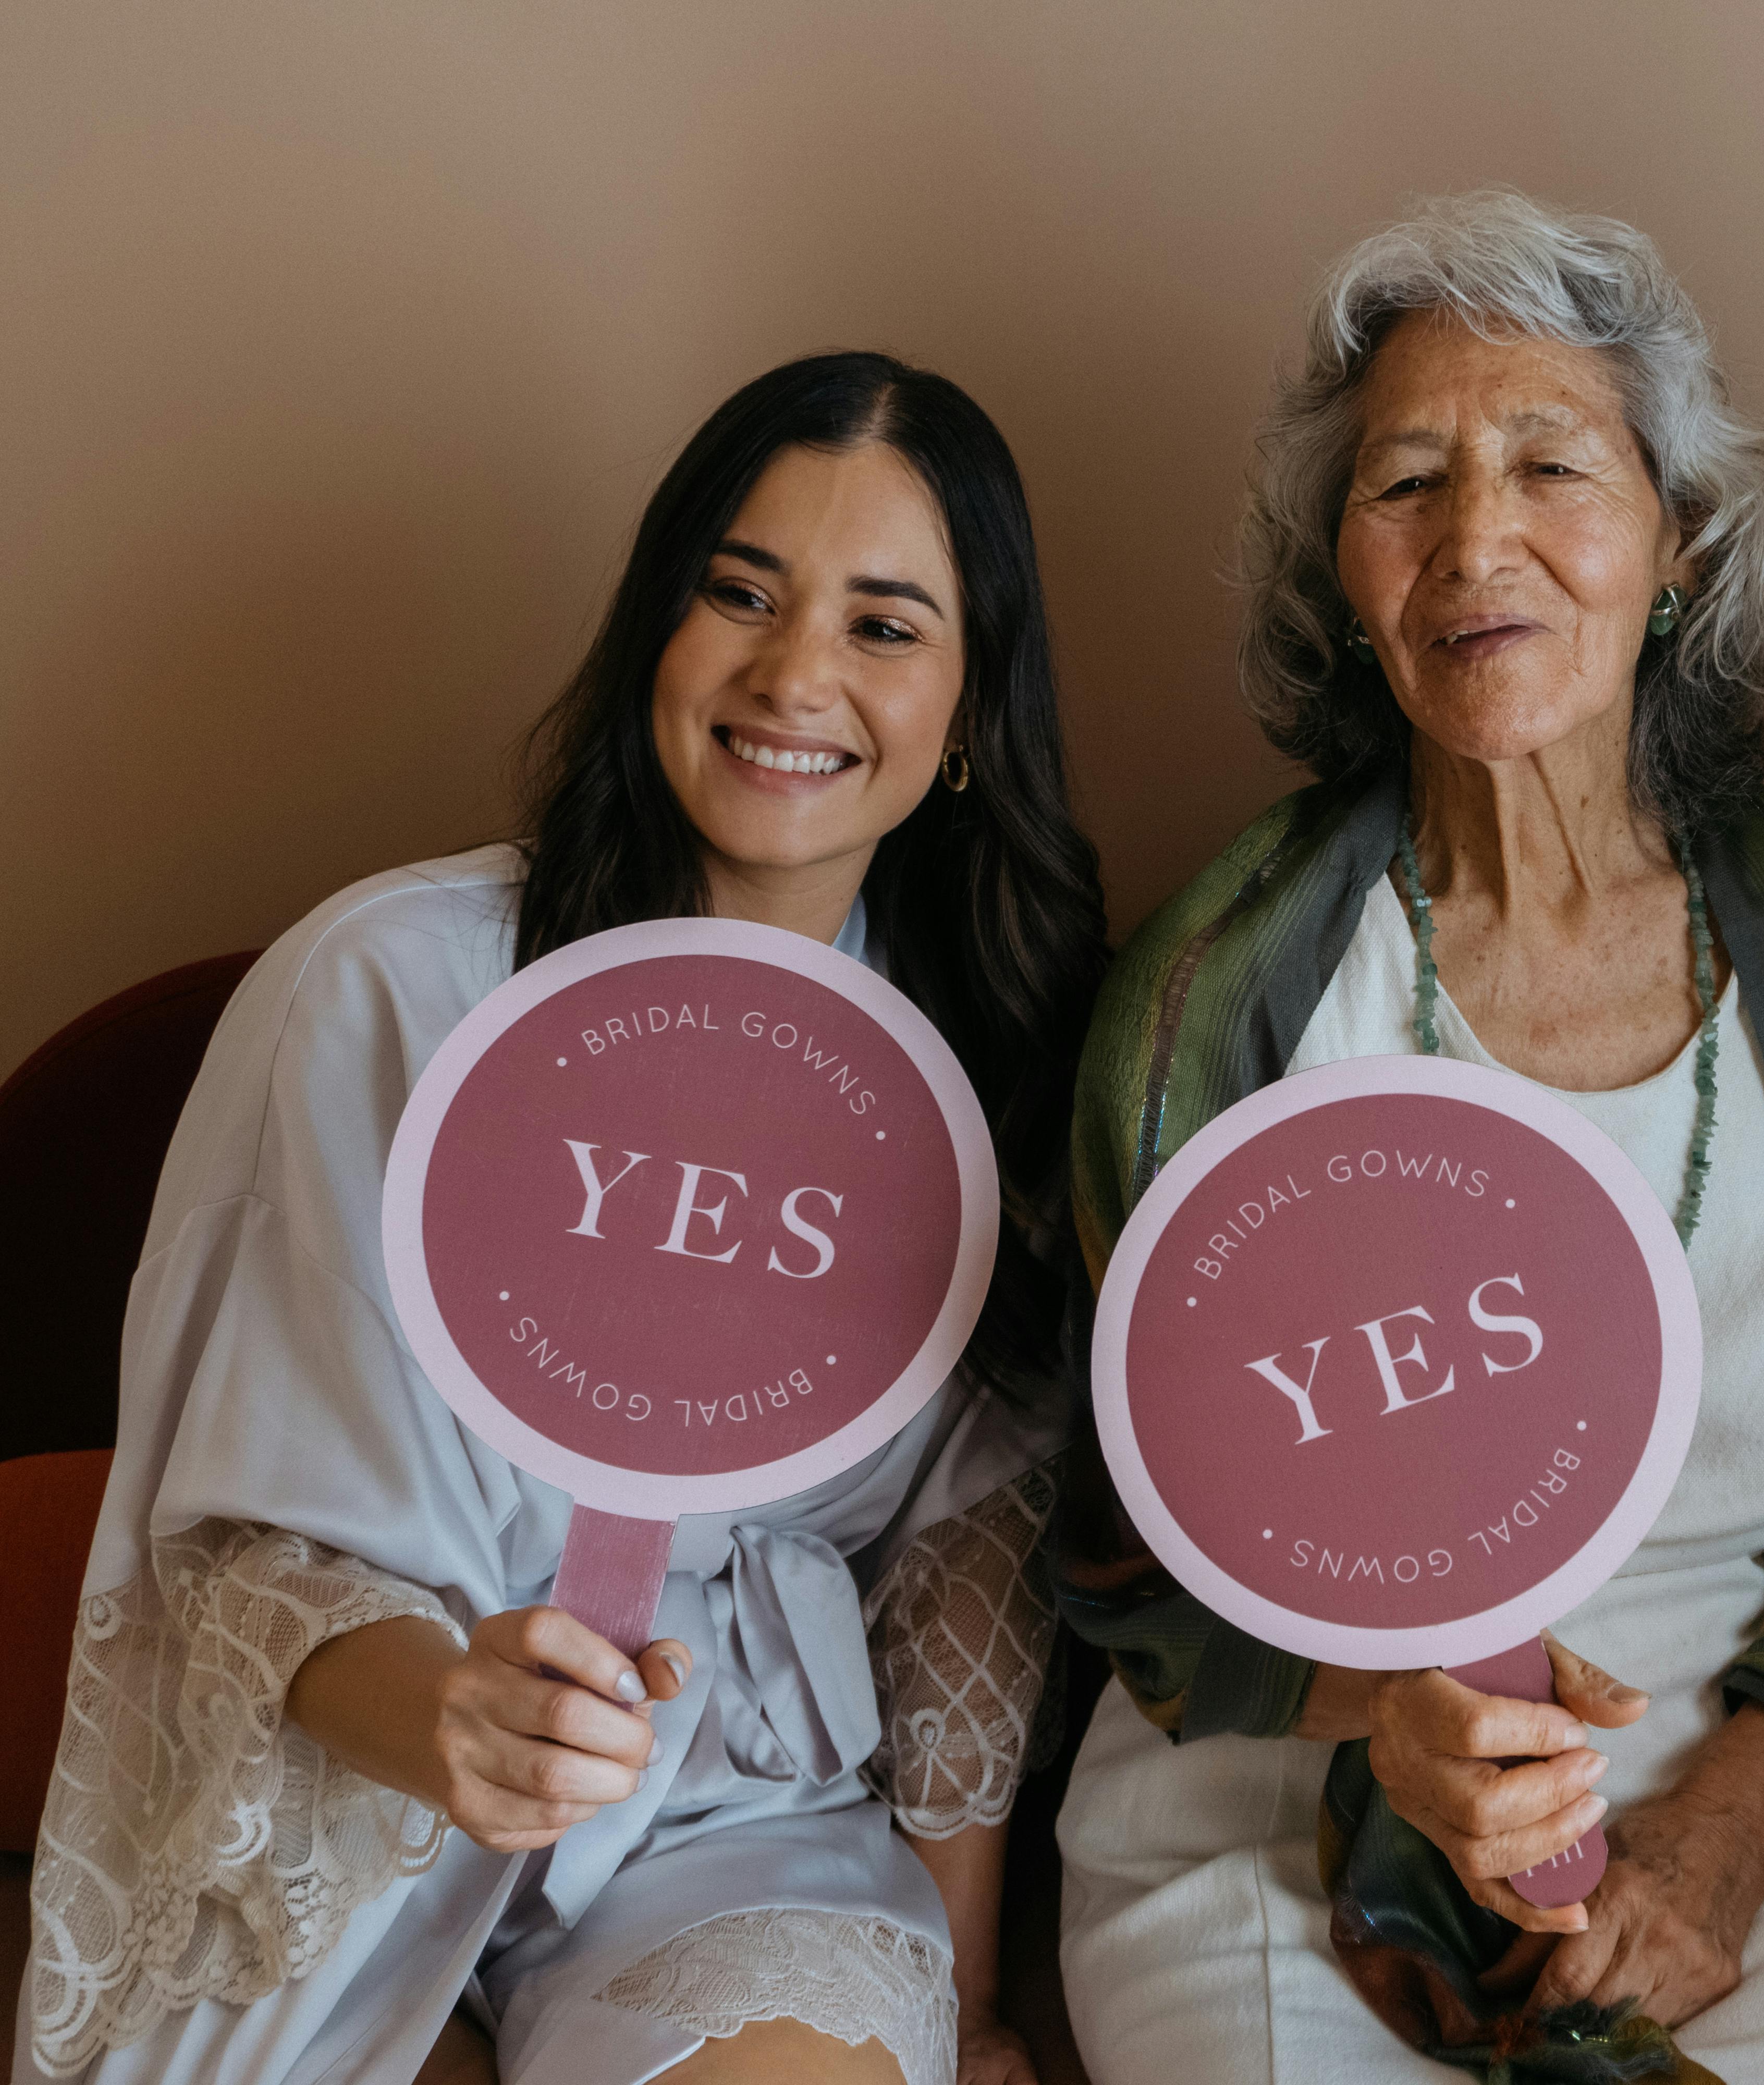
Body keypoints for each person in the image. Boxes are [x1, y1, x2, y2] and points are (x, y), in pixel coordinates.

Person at [1048, 190, 1764, 2084]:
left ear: (1675, 545)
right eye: (1406, 482)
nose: (1475, 543)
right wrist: (1376, 1709)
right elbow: (1126, 1535)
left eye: (1550, 465)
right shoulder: (1222, 992)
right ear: (1342, 578)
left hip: (1746, 1770)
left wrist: (1743, 1810)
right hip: (1282, 1796)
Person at [14, 352, 1108, 2085]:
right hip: (356, 1792)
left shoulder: (998, 1071)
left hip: (731, 1831)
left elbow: (968, 1571)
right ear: (653, 629)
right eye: (737, 591)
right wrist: (439, 1714)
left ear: (973, 710)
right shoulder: (388, 990)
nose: (796, 672)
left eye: (886, 626)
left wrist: (969, 2011)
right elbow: (244, 1530)